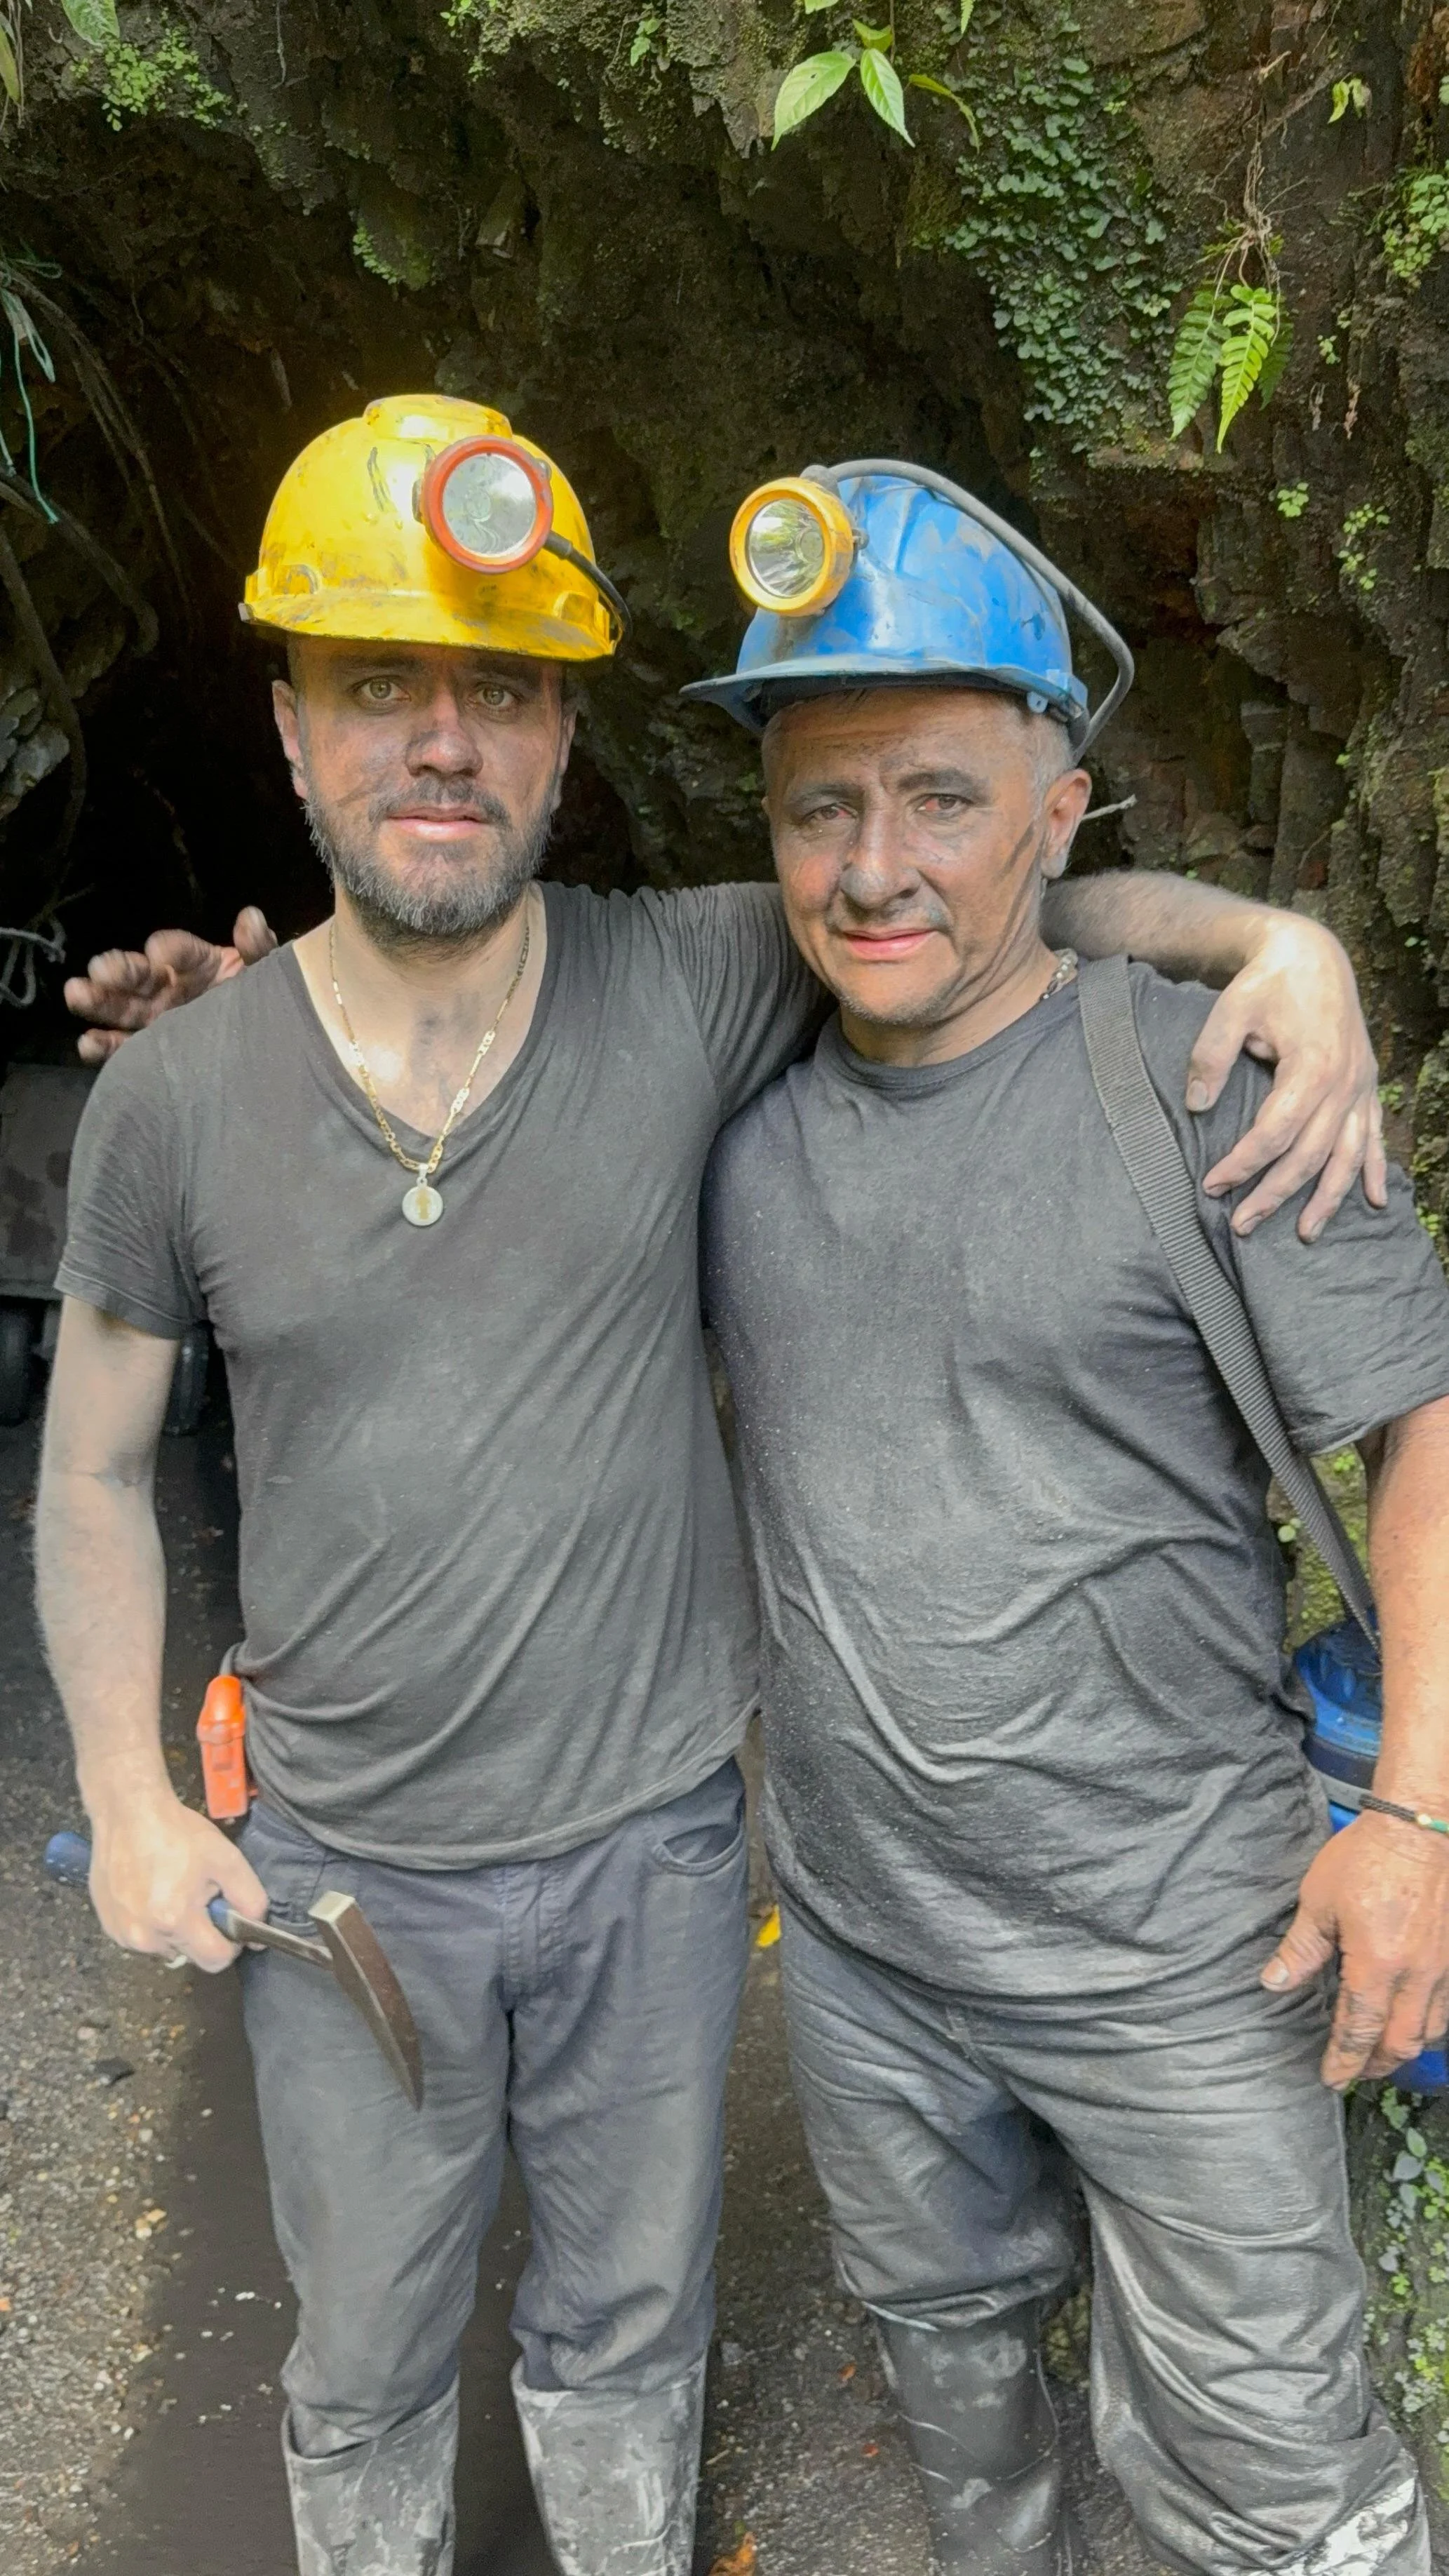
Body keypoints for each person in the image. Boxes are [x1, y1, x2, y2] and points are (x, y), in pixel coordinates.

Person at [43, 396, 1384, 2576]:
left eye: (501, 693)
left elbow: (981, 911)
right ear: (290, 733)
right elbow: (95, 1466)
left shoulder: (690, 981)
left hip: (662, 1861)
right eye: (381, 686)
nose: (445, 744)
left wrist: (1272, 951)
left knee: (628, 2319)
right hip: (346, 1881)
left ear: (568, 747)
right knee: (364, 2344)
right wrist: (127, 1785)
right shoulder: (179, 1102)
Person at [692, 459, 1449, 2576]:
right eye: (819, 809)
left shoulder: (1216, 1079)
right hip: (862, 1944)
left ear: (1061, 800)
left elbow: (1427, 1433)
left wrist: (1415, 1823)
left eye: (940, 797)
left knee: (1282, 2475)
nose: (872, 867)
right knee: (949, 2365)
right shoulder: (734, 1119)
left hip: (1189, 1953)